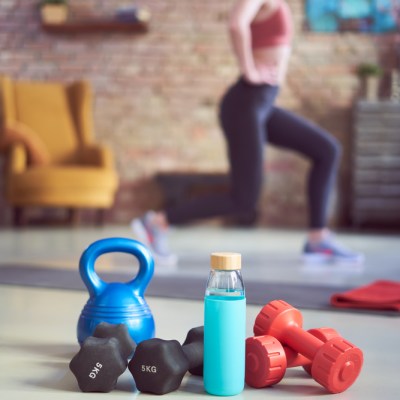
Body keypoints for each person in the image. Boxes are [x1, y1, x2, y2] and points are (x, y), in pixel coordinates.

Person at [131, 0, 364, 266]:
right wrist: (249, 70)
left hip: (262, 104)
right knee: (244, 200)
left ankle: (317, 239)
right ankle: (157, 222)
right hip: (247, 103)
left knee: (327, 149)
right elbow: (236, 24)